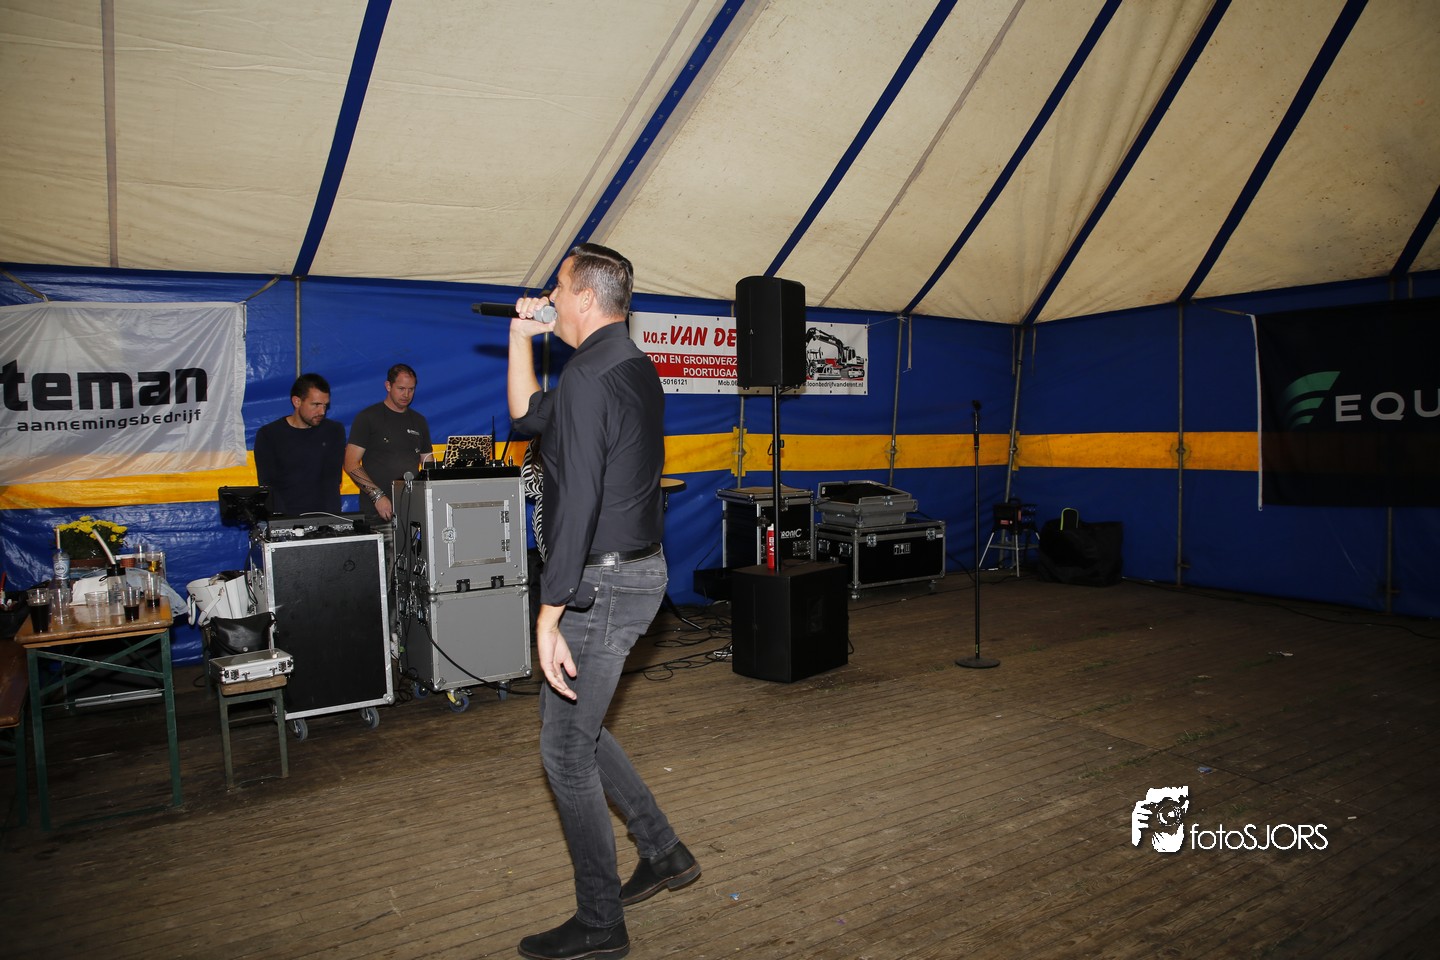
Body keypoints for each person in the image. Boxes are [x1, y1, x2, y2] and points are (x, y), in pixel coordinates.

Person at [509, 243, 698, 960]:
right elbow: (528, 417)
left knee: (563, 751)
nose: (551, 296)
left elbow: (579, 501)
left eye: (558, 287)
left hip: (603, 584)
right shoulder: (627, 364)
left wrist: (549, 610)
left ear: (586, 297)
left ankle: (599, 922)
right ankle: (663, 849)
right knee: (575, 726)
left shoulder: (590, 375)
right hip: (635, 575)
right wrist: (520, 336)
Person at [344, 364, 432, 565]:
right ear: (388, 386)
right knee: (385, 570)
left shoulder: (419, 421)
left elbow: (428, 463)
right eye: (401, 388)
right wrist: (377, 496)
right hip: (379, 514)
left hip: (412, 512)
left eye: (411, 389)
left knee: (414, 567)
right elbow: (350, 463)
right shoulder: (368, 418)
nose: (406, 394)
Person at [253, 372, 345, 516]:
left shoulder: (334, 431)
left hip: (326, 519)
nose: (322, 411)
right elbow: (268, 485)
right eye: (316, 405)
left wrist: (331, 520)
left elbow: (333, 481)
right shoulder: (269, 435)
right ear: (297, 402)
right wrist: (283, 521)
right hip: (285, 519)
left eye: (325, 405)